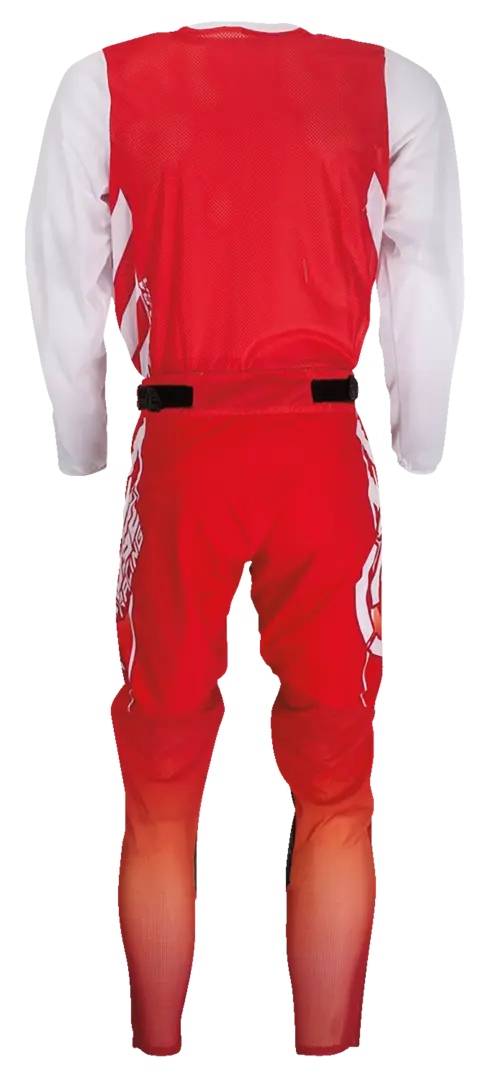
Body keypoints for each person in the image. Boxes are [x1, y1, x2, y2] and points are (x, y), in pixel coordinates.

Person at [27, 17, 462, 1060]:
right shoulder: (394, 83)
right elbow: (426, 293)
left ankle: (155, 1053)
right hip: (321, 453)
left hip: (180, 447)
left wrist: (84, 453)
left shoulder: (101, 84)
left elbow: (67, 297)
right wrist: (418, 446)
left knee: (160, 781)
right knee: (335, 783)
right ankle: (324, 1056)